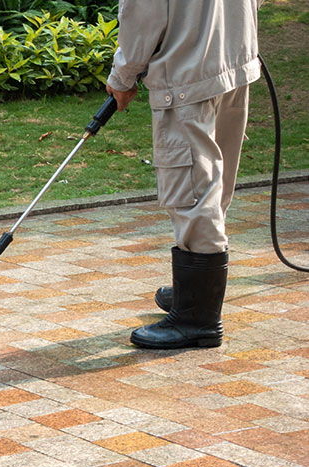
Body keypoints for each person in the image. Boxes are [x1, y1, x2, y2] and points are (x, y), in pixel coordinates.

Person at [106, 0, 262, 349]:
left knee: (194, 190)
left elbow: (142, 14)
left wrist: (123, 76)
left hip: (188, 74)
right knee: (213, 182)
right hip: (233, 61)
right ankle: (195, 292)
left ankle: (197, 319)